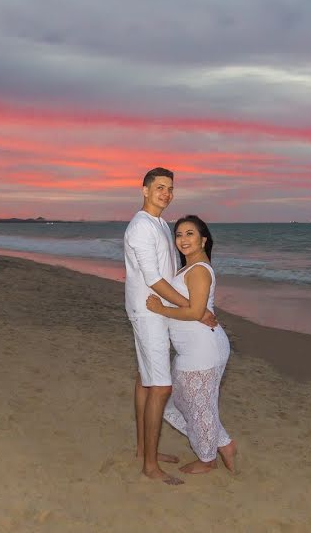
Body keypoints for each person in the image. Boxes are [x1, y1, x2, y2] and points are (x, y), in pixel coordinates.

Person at [124, 168, 217, 485]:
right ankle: (150, 466)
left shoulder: (161, 224)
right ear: (145, 190)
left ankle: (142, 450)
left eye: (171, 188)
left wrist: (191, 306)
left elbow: (171, 270)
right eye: (160, 187)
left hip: (156, 310)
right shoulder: (140, 227)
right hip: (148, 311)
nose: (166, 193)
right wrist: (193, 309)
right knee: (161, 387)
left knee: (145, 379)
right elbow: (153, 278)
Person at [146, 215, 237, 475]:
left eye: (190, 234)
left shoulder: (198, 269)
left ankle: (208, 459)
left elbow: (196, 311)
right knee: (187, 404)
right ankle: (225, 444)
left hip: (202, 350)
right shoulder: (189, 268)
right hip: (195, 348)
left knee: (199, 407)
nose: (183, 240)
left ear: (203, 239)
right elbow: (196, 308)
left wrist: (161, 308)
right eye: (179, 235)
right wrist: (194, 310)